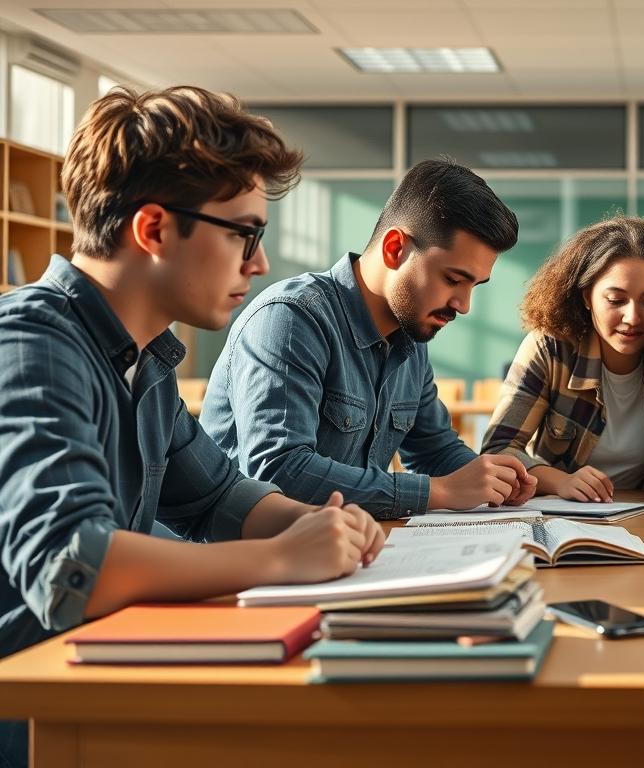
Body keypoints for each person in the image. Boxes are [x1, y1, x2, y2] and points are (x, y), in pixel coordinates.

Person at [0, 87, 384, 767]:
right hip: (32, 713)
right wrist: (280, 558)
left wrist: (322, 524)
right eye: (244, 233)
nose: (260, 263)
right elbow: (73, 565)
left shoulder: (141, 359)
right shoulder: (32, 342)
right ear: (153, 229)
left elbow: (215, 497)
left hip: (91, 686)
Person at [201, 160, 536, 518]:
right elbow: (279, 471)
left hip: (338, 548)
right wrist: (435, 492)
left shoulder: (411, 337)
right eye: (454, 279)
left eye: (474, 286)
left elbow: (434, 451)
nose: (464, 306)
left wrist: (498, 479)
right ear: (394, 248)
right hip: (247, 558)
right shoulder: (291, 319)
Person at [480, 215, 644, 501]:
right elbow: (498, 450)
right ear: (587, 297)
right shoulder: (551, 348)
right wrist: (561, 482)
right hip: (563, 515)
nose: (633, 317)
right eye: (616, 300)